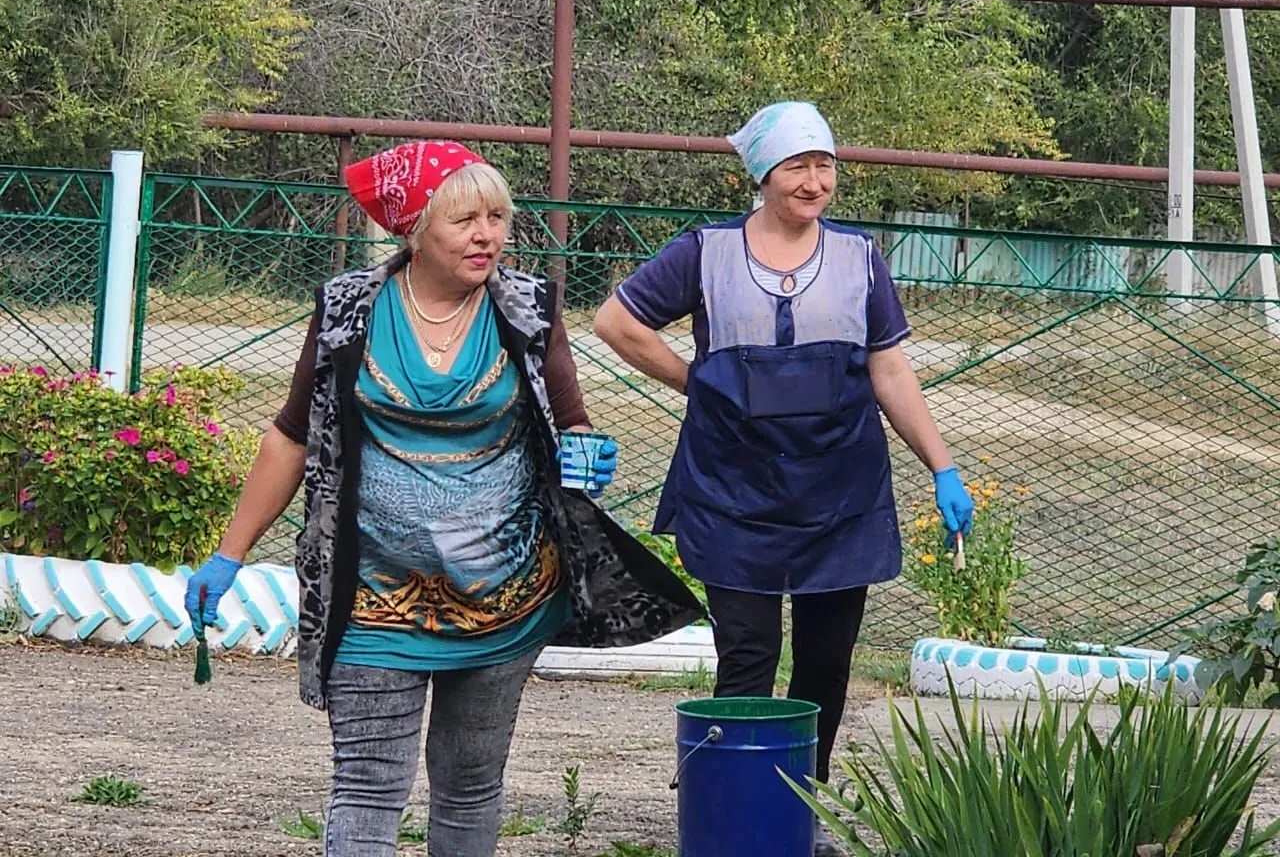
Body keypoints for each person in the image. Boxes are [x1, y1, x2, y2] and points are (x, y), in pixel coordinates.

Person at [182, 140, 702, 857]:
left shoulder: (528, 310)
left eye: (497, 218)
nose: (487, 235)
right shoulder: (347, 311)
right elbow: (291, 436)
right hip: (371, 599)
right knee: (366, 786)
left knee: (469, 787)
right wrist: (229, 555)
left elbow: (572, 423)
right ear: (415, 230)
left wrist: (586, 455)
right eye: (465, 221)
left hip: (505, 601)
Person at [592, 102, 975, 856]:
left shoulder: (860, 257)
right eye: (797, 166)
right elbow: (616, 323)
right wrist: (697, 384)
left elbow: (889, 368)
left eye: (824, 165)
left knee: (826, 667)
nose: (814, 182)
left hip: (840, 493)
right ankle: (737, 821)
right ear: (763, 175)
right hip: (734, 492)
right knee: (748, 657)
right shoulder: (706, 252)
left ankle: (803, 817)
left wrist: (943, 465)